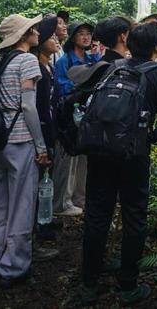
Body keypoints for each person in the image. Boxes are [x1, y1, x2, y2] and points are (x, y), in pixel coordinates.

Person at [79, 22, 157, 306]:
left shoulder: (110, 68)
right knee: (134, 215)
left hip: (100, 151)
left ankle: (89, 282)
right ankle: (128, 285)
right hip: (133, 155)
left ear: (129, 42)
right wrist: (148, 139)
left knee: (97, 213)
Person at [0, 14, 50, 287]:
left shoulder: (1, 62)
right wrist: (41, 146)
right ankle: (14, 267)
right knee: (21, 203)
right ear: (23, 35)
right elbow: (29, 107)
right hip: (20, 140)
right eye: (33, 28)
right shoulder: (28, 61)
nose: (38, 31)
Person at [54, 21, 98, 216]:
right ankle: (63, 201)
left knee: (83, 161)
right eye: (81, 33)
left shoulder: (92, 59)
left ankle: (80, 198)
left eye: (88, 34)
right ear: (73, 38)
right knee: (68, 159)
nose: (86, 37)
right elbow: (62, 88)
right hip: (69, 116)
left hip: (87, 116)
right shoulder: (64, 61)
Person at [31, 15, 62, 258]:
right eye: (51, 37)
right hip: (40, 132)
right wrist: (45, 142)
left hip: (47, 130)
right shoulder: (37, 68)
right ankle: (35, 230)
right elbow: (40, 108)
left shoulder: (47, 65)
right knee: (35, 183)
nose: (56, 40)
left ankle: (44, 222)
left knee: (44, 181)